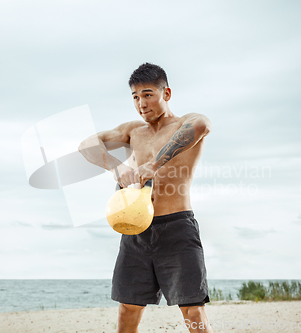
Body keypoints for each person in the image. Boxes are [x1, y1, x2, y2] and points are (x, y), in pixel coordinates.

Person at [79, 62, 213, 333]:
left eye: (148, 94)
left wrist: (153, 164)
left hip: (176, 226)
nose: (141, 103)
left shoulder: (184, 123)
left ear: (167, 93)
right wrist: (115, 166)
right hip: (136, 229)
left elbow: (202, 125)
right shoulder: (132, 131)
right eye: (135, 97)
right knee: (128, 308)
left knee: (192, 308)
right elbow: (86, 145)